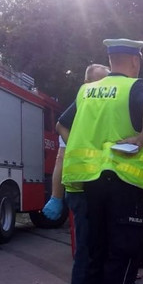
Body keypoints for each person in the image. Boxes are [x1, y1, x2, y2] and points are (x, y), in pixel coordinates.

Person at [57, 38, 143, 284]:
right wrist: (142, 139)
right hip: (122, 180)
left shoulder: (86, 91)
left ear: (111, 58)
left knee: (96, 253)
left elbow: (65, 126)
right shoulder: (133, 86)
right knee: (124, 254)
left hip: (90, 181)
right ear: (134, 61)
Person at [42, 64, 111, 221]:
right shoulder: (83, 103)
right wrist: (56, 196)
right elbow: (61, 153)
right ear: (86, 82)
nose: (104, 86)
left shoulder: (104, 105)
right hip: (81, 187)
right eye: (100, 80)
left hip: (98, 185)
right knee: (87, 237)